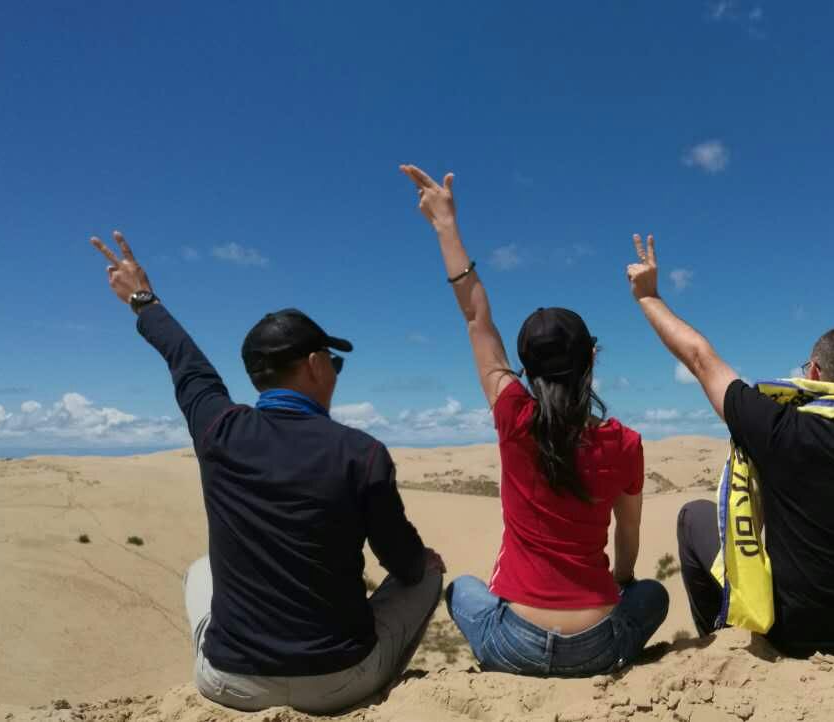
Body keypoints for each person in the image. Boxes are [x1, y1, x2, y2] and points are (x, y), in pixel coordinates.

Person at [88, 232, 445, 713]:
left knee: (200, 570)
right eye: (334, 361)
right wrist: (422, 561)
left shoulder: (218, 430)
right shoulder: (361, 453)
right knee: (426, 572)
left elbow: (186, 362)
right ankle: (378, 693)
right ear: (316, 365)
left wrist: (142, 299)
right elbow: (402, 564)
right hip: (339, 681)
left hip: (228, 682)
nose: (336, 372)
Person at [398, 165, 669, 676]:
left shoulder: (513, 415)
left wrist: (445, 225)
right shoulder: (624, 443)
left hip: (513, 644)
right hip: (599, 645)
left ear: (522, 366)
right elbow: (627, 536)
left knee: (461, 590)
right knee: (652, 594)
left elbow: (476, 318)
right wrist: (623, 582)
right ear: (592, 357)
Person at [623, 234, 834, 658]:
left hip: (800, 634)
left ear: (814, 372)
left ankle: (722, 628)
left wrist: (648, 296)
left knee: (694, 517)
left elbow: (700, 359)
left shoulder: (780, 429)